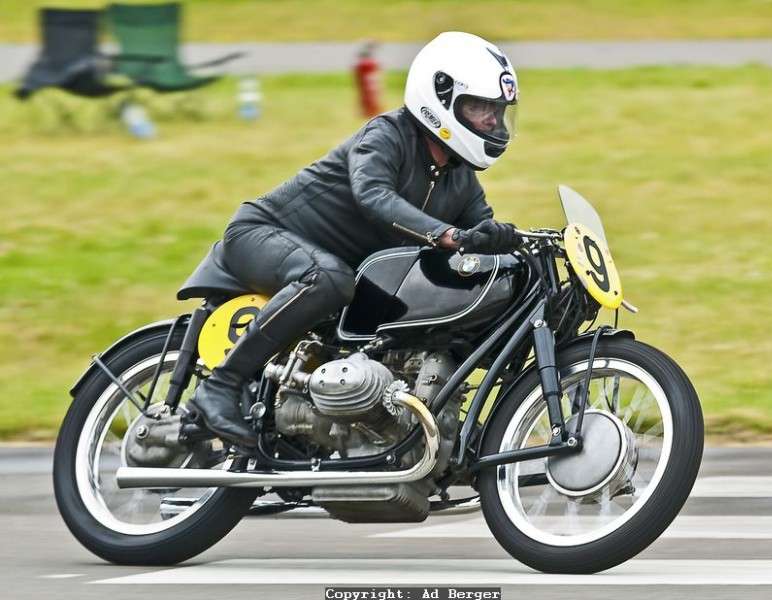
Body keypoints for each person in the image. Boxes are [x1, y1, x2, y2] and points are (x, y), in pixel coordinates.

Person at [188, 31, 522, 447]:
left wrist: (505, 242)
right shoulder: (387, 135)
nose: (492, 120)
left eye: (498, 110)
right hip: (262, 234)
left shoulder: (460, 178)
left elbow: (479, 234)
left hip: (335, 272)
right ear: (441, 97)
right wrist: (445, 234)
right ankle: (220, 386)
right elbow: (374, 195)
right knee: (329, 278)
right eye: (481, 107)